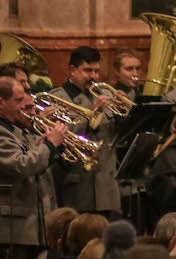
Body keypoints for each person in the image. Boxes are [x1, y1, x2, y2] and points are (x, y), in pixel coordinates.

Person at [0, 75, 67, 259]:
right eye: (17, 101)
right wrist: (50, 144)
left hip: (22, 226)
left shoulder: (12, 129)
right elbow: (23, 165)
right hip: (8, 227)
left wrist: (47, 144)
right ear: (0, 102)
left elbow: (31, 158)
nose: (22, 106)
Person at [48, 47, 121, 215]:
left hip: (105, 186)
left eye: (96, 71)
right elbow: (62, 136)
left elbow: (114, 134)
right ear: (72, 70)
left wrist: (122, 114)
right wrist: (91, 115)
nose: (93, 76)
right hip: (76, 184)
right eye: (87, 70)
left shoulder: (104, 94)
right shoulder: (57, 98)